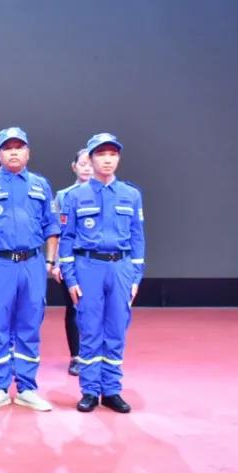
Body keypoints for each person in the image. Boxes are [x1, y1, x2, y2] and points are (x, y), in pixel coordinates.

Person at [0, 127, 60, 412]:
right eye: (7, 148)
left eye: (18, 147)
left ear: (28, 152)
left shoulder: (40, 185)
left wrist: (49, 262)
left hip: (33, 263)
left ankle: (26, 388)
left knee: (30, 325)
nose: (13, 152)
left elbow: (51, 225)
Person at [58, 133, 144, 414]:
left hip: (120, 268)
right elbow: (67, 239)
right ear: (91, 159)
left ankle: (112, 390)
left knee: (116, 329)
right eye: (101, 154)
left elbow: (137, 237)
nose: (107, 160)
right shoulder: (74, 196)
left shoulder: (131, 195)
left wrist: (136, 276)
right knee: (90, 328)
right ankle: (90, 390)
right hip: (88, 268)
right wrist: (70, 278)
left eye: (113, 154)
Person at [55, 148, 93, 376]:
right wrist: (58, 263)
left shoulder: (107, 193)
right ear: (74, 167)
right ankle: (76, 356)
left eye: (90, 164)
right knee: (74, 308)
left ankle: (96, 354)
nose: (87, 168)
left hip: (95, 262)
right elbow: (58, 233)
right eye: (83, 164)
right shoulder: (64, 196)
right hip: (71, 261)